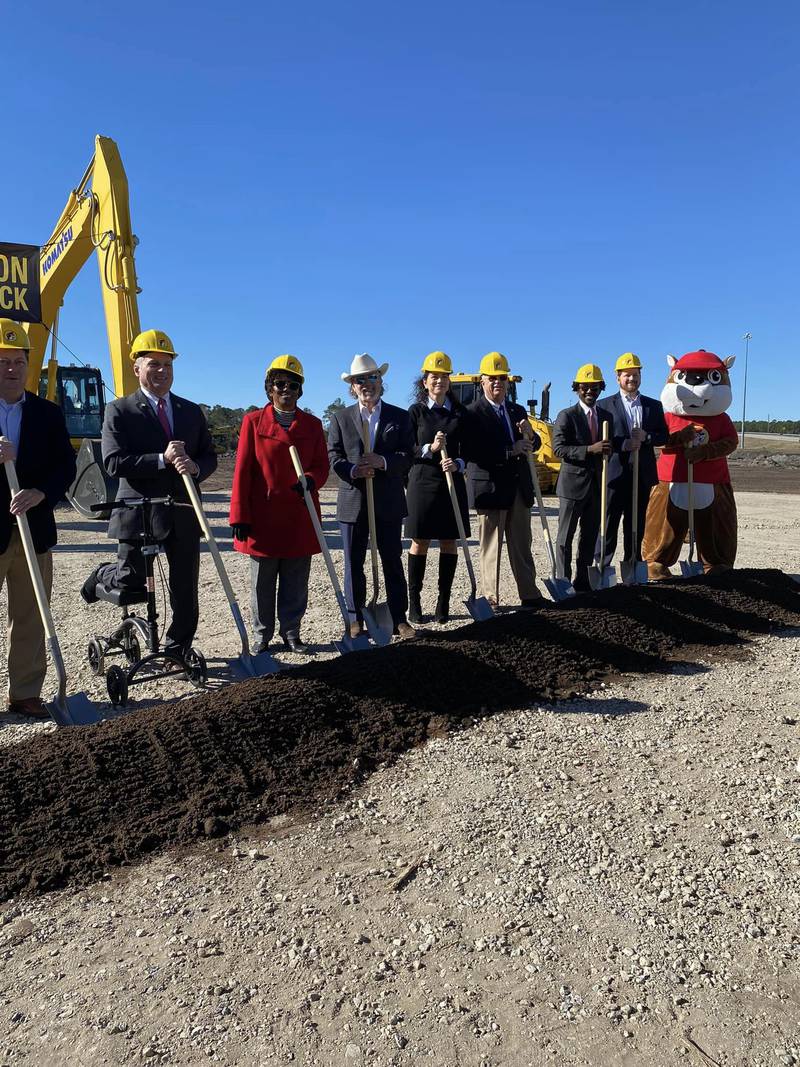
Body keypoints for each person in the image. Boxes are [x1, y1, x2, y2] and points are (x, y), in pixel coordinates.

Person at [81, 329, 217, 656]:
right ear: (136, 368)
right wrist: (161, 459)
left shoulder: (190, 411)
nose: (162, 371)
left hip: (183, 511)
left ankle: (176, 649)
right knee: (130, 581)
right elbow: (113, 463)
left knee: (185, 589)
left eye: (167, 365)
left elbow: (208, 455)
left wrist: (196, 468)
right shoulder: (120, 410)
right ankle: (103, 573)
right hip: (139, 511)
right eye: (153, 364)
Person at [0, 319, 76, 719]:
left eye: (17, 361)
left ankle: (25, 691)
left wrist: (41, 492)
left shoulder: (47, 413)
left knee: (30, 615)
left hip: (34, 529)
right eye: (2, 360)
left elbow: (65, 466)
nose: (10, 369)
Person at [228, 355, 329, 653]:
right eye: (280, 383)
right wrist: (239, 516)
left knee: (296, 580)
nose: (286, 389)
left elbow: (322, 465)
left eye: (293, 384)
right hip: (264, 518)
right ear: (270, 388)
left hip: (299, 515)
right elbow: (243, 471)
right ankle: (262, 634)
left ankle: (291, 631)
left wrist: (311, 479)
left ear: (300, 390)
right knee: (262, 582)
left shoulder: (312, 425)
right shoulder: (253, 422)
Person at [327, 353, 416, 640]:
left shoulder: (399, 417)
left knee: (392, 559)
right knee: (354, 562)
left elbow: (407, 455)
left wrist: (383, 462)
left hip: (388, 501)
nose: (367, 384)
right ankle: (355, 619)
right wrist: (353, 470)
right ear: (352, 386)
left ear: (381, 381)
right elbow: (333, 456)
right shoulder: (340, 419)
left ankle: (398, 617)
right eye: (360, 380)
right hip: (353, 503)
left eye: (372, 377)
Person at [464, 351, 541, 608]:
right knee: (491, 547)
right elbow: (473, 450)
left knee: (522, 544)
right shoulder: (472, 413)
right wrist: (510, 451)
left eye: (502, 378)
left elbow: (533, 443)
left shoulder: (516, 409)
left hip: (518, 488)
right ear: (482, 381)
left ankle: (529, 593)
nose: (497, 382)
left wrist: (531, 437)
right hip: (491, 488)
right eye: (492, 378)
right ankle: (490, 598)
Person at [405, 351, 470, 624]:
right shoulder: (416, 412)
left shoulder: (460, 414)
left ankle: (444, 601)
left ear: (449, 381)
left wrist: (459, 463)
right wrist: (429, 449)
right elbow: (406, 449)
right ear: (425, 382)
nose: (439, 381)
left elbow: (470, 449)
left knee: (448, 540)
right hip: (422, 482)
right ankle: (415, 603)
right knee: (419, 541)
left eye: (444, 377)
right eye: (434, 377)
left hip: (451, 483)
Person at [596, 353, 668, 567]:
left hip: (641, 475)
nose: (632, 379)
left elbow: (664, 436)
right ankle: (602, 565)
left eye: (635, 375)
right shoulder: (604, 406)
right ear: (618, 377)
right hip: (614, 475)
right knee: (608, 522)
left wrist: (646, 437)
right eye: (627, 375)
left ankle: (633, 564)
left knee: (636, 524)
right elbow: (600, 438)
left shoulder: (653, 406)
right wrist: (622, 444)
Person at [552, 363, 613, 592]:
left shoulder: (606, 416)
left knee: (589, 538)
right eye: (585, 387)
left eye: (595, 387)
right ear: (577, 388)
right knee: (564, 539)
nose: (590, 391)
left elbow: (609, 446)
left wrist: (608, 449)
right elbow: (559, 449)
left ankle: (583, 581)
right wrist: (589, 449)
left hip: (597, 486)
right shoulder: (567, 416)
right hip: (572, 488)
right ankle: (563, 582)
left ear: (600, 389)